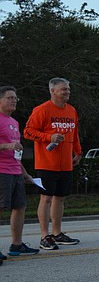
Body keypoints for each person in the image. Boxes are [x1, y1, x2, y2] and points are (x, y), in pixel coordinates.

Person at [23, 77, 82, 250]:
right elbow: (27, 131)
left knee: (60, 198)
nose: (67, 92)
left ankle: (57, 233)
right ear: (52, 91)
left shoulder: (71, 111)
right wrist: (49, 137)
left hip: (65, 163)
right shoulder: (42, 110)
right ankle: (44, 236)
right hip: (46, 163)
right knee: (46, 198)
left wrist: (78, 152)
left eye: (68, 89)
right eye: (63, 89)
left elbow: (75, 133)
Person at [1, 86, 39, 258]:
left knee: (20, 207)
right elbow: (9, 147)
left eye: (15, 98)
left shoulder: (14, 123)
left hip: (15, 171)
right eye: (9, 97)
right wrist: (6, 146)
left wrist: (24, 172)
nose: (14, 100)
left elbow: (16, 153)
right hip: (2, 171)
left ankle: (17, 245)